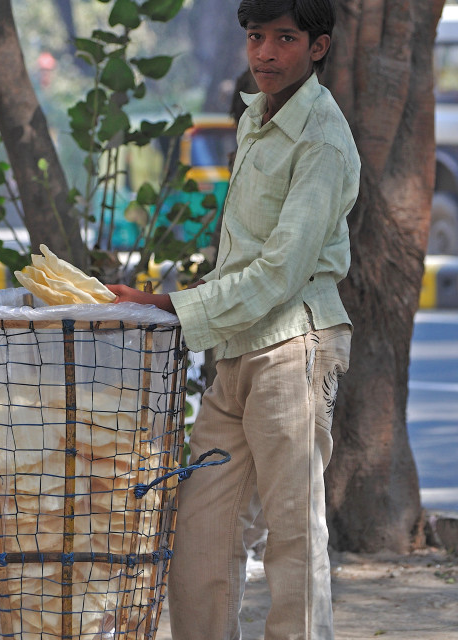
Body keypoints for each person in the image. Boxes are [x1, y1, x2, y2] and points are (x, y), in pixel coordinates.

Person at [107, 0, 361, 638]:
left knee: (293, 533)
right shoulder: (256, 119)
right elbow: (240, 256)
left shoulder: (322, 138)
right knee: (201, 529)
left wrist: (169, 306)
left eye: (285, 39)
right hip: (237, 349)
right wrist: (178, 302)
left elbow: (280, 271)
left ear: (318, 48)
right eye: (256, 37)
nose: (267, 53)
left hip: (295, 347)